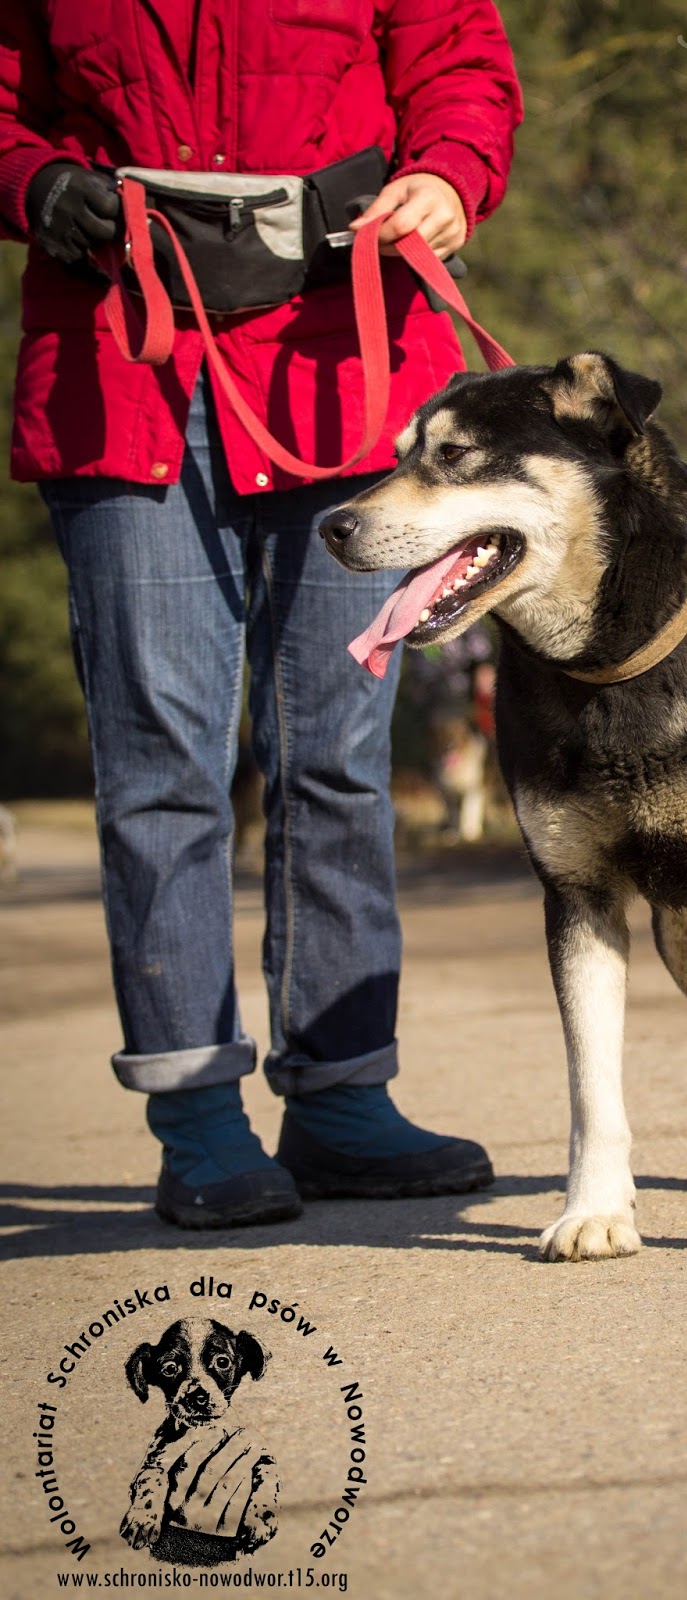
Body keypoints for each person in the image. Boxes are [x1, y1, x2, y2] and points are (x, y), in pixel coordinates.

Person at [0, 2, 522, 1228]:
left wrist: (449, 175)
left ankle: (342, 1102)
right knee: (163, 768)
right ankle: (197, 1122)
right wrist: (34, 182)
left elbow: (460, 69)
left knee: (337, 758)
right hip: (126, 369)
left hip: (346, 367)